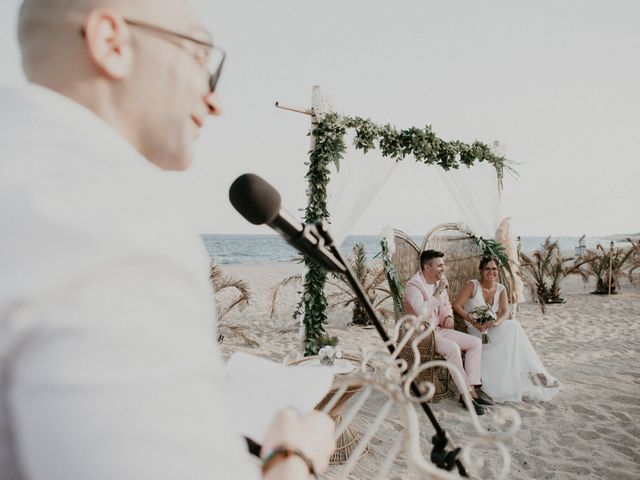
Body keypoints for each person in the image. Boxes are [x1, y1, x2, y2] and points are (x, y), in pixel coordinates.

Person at [0, 1, 334, 479]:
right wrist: (293, 458)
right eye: (201, 56)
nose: (215, 101)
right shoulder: (111, 227)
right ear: (112, 42)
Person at [452, 256, 560, 403]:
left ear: (498, 271)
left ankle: (535, 372)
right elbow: (456, 306)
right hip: (476, 331)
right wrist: (473, 322)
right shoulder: (473, 285)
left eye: (494, 269)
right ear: (481, 271)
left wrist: (496, 323)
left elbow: (505, 313)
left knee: (512, 325)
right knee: (513, 328)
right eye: (488, 269)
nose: (491, 272)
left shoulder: (501, 289)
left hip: (492, 329)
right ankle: (534, 373)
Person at [402, 250, 492, 415]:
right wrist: (439, 290)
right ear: (427, 267)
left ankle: (471, 391)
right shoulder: (413, 286)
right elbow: (422, 312)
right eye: (440, 265)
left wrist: (449, 316)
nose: (444, 268)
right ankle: (466, 396)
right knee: (452, 348)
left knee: (475, 343)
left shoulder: (438, 283)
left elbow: (446, 304)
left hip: (439, 329)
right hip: (421, 334)